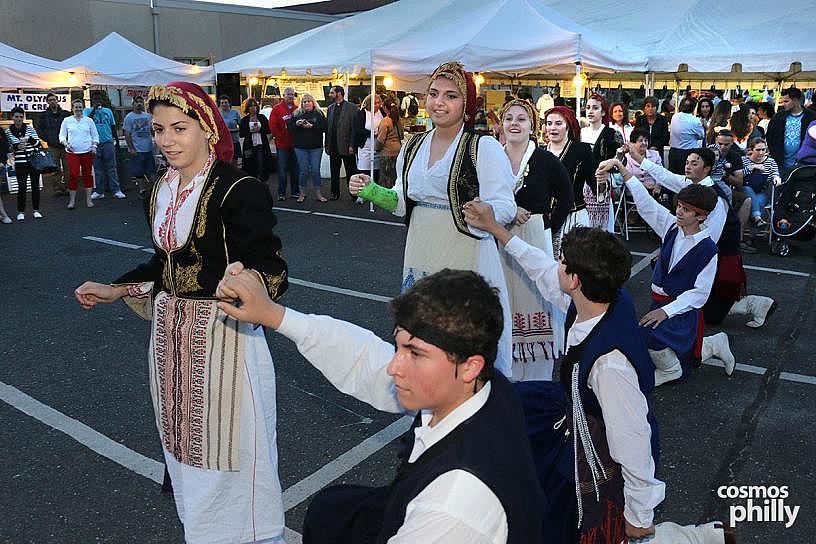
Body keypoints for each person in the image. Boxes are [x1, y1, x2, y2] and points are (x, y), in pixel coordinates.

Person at [74, 81, 288, 544]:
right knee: (185, 448)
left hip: (224, 340)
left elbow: (271, 268)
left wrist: (250, 294)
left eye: (179, 128)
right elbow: (163, 264)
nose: (167, 139)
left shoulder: (238, 189)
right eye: (158, 130)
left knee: (233, 451)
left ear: (208, 129)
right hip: (171, 339)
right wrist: (114, 289)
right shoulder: (160, 190)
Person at [217, 267, 545, 544]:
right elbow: (367, 359)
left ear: (470, 366)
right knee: (331, 511)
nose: (394, 366)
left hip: (435, 513)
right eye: (399, 346)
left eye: (415, 354)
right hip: (414, 499)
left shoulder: (453, 504)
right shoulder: (480, 385)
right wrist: (274, 315)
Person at [348, 61, 517, 378]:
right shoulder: (412, 145)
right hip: (420, 250)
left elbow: (506, 205)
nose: (440, 102)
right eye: (434, 94)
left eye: (451, 96)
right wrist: (371, 190)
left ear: (466, 104)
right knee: (423, 332)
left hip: (466, 251)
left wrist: (487, 212)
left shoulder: (484, 147)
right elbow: (401, 201)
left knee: (463, 335)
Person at [598, 156, 735, 385]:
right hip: (659, 303)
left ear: (701, 216)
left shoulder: (708, 249)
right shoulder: (672, 226)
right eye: (679, 206)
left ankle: (672, 370)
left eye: (686, 210)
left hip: (680, 311)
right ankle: (713, 345)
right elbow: (646, 203)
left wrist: (667, 311)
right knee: (648, 337)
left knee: (646, 334)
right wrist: (623, 170)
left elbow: (699, 294)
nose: (679, 212)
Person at [625, 144, 775, 330]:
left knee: (708, 309)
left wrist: (676, 253)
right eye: (687, 162)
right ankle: (757, 305)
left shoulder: (716, 200)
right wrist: (637, 159)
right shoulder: (693, 186)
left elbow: (709, 238)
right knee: (701, 307)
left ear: (707, 169)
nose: (688, 167)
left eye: (694, 163)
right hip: (702, 252)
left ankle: (756, 304)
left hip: (718, 255)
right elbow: (665, 176)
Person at [500, 99, 573, 381]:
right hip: (499, 235)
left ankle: (537, 371)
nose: (514, 123)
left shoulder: (545, 160)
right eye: (509, 118)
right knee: (504, 293)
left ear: (533, 126)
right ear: (502, 124)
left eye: (521, 118)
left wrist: (547, 228)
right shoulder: (493, 157)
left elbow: (567, 197)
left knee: (538, 291)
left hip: (533, 236)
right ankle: (506, 365)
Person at [543, 106, 597, 254]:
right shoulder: (539, 152)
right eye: (549, 123)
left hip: (574, 216)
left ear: (568, 126)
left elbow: (595, 185)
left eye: (558, 123)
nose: (552, 128)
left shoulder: (581, 150)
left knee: (574, 264)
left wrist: (603, 180)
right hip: (545, 219)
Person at [581, 93, 622, 230]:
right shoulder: (580, 133)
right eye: (588, 107)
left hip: (601, 183)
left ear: (603, 111)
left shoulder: (612, 133)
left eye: (595, 108)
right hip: (580, 184)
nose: (590, 111)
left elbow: (620, 163)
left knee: (602, 227)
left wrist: (618, 157)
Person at [766, 87, 816, 178]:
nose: (783, 104)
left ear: (796, 100)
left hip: (804, 165)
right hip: (780, 163)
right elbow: (769, 136)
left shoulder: (811, 116)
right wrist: (775, 154)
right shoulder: (778, 117)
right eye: (782, 101)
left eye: (786, 101)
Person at [60, 99, 99, 210]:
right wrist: (66, 144)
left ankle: (89, 200)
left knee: (88, 175)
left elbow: (95, 135)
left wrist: (94, 146)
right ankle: (72, 201)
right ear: (72, 109)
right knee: (74, 175)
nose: (78, 109)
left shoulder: (89, 121)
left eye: (80, 107)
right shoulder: (66, 120)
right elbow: (62, 136)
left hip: (87, 151)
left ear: (83, 108)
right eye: (76, 107)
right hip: (72, 152)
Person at [5, 107, 43, 221]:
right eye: (16, 117)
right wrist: (16, 147)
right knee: (22, 187)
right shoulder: (8, 131)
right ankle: (20, 211)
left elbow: (38, 144)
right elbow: (8, 148)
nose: (19, 119)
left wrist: (29, 140)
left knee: (35, 186)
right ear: (12, 117)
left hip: (33, 161)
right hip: (20, 162)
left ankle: (36, 210)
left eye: (21, 117)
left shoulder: (30, 128)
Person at [288, 92, 327, 202]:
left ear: (313, 103)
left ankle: (318, 194)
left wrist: (312, 126)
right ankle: (302, 194)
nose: (307, 103)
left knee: (315, 170)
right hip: (300, 147)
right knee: (303, 171)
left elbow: (324, 127)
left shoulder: (319, 113)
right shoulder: (296, 114)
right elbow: (290, 129)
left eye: (309, 101)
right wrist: (297, 124)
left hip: (316, 147)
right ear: (301, 103)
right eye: (304, 102)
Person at [85, 95, 124, 200]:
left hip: (107, 142)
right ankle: (99, 191)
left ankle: (116, 190)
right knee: (98, 169)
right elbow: (86, 122)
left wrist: (117, 141)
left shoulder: (108, 111)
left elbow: (113, 126)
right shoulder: (87, 111)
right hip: (94, 143)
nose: (97, 101)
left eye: (99, 99)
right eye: (95, 99)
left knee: (112, 167)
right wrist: (94, 109)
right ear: (92, 101)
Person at [34, 92, 71, 196]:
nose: (52, 102)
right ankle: (58, 189)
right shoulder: (43, 116)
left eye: (54, 99)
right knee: (55, 168)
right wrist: (47, 140)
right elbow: (39, 130)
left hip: (65, 145)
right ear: (47, 102)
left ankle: (69, 188)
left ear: (57, 100)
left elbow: (71, 128)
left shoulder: (66, 114)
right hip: (52, 146)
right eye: (50, 100)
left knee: (67, 168)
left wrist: (68, 140)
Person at [325, 85, 358, 200]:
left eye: (331, 93)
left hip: (347, 146)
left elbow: (354, 128)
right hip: (333, 146)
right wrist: (327, 146)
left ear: (339, 93)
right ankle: (335, 193)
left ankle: (354, 194)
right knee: (334, 171)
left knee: (351, 171)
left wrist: (352, 145)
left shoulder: (352, 108)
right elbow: (328, 128)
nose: (329, 95)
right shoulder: (330, 108)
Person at [740, 138, 781, 228]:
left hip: (762, 191)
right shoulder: (743, 160)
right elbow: (738, 175)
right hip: (744, 190)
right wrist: (751, 167)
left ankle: (754, 226)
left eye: (763, 150)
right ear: (751, 150)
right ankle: (757, 221)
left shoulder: (770, 162)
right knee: (747, 189)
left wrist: (776, 179)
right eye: (758, 150)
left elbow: (775, 174)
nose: (761, 152)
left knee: (757, 202)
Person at [269, 86, 300, 200]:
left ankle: (295, 191)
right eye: (288, 94)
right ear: (284, 96)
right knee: (282, 169)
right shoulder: (277, 109)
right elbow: (272, 125)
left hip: (295, 145)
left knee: (295, 169)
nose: (290, 96)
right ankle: (281, 193)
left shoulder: (297, 109)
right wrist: (279, 137)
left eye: (292, 94)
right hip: (282, 145)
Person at [122, 96, 156, 195]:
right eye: (137, 102)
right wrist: (131, 148)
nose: (139, 104)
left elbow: (152, 130)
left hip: (148, 148)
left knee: (151, 170)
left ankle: (155, 188)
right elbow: (127, 134)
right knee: (138, 172)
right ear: (133, 104)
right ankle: (142, 189)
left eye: (141, 102)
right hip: (137, 150)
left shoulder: (148, 116)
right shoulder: (129, 117)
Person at [668, 96, 705, 176]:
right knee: (686, 177)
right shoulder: (695, 121)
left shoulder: (675, 117)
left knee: (673, 177)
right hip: (687, 152)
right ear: (694, 108)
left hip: (673, 151)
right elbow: (701, 136)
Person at [353, 93, 384, 187]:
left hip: (378, 146)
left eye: (378, 103)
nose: (377, 105)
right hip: (365, 145)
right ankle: (362, 192)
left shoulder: (381, 112)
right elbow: (358, 129)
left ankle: (375, 190)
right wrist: (371, 133)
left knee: (376, 170)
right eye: (375, 103)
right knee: (364, 169)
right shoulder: (362, 113)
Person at [240, 98, 273, 183]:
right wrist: (250, 131)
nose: (253, 108)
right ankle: (252, 184)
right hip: (249, 146)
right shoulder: (244, 120)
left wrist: (260, 129)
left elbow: (268, 130)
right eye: (250, 106)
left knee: (262, 165)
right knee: (250, 165)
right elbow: (241, 133)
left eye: (254, 106)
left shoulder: (262, 117)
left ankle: (262, 183)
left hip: (261, 145)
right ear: (247, 108)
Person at [623, 127, 664, 195]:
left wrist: (658, 186)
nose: (644, 143)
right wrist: (644, 185)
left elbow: (661, 174)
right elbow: (628, 178)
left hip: (654, 191)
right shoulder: (627, 157)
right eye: (640, 141)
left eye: (646, 140)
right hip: (635, 191)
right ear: (633, 143)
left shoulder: (655, 154)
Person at [377, 97, 404, 188]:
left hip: (387, 153)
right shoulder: (398, 120)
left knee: (386, 178)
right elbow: (402, 136)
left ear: (385, 107)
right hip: (398, 151)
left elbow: (381, 139)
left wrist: (377, 148)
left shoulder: (385, 121)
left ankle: (386, 200)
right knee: (396, 177)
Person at [218, 95, 242, 165]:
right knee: (225, 161)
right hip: (223, 141)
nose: (224, 104)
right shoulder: (218, 114)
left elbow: (241, 125)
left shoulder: (235, 112)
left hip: (234, 140)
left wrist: (236, 130)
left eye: (226, 102)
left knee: (234, 161)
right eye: (222, 103)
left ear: (229, 103)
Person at [0, 129, 13, 223]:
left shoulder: (0, 130)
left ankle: (3, 214)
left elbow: (5, 146)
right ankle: (3, 214)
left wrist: (3, 160)